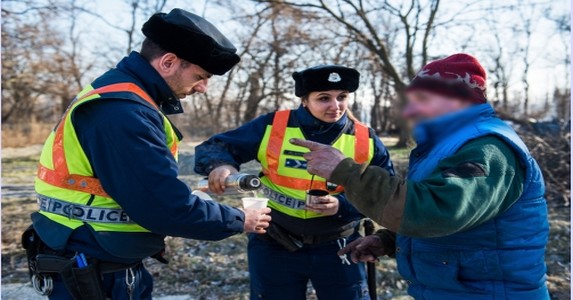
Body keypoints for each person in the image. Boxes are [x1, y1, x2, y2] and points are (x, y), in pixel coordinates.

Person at [27, 8, 271, 300]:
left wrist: (188, 197)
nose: (204, 88)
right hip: (96, 267)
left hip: (89, 251)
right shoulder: (123, 112)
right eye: (201, 76)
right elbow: (165, 208)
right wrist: (239, 219)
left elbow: (129, 186)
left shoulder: (118, 94)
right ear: (168, 62)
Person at [292, 54, 549, 299]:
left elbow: (438, 211)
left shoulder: (487, 148)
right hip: (453, 289)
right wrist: (390, 241)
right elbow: (459, 215)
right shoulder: (446, 145)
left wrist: (345, 171)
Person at [194, 65, 395, 299]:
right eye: (323, 98)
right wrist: (221, 165)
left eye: (342, 97)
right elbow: (217, 147)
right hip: (273, 242)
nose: (335, 106)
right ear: (304, 100)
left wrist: (342, 206)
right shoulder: (274, 125)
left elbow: (387, 192)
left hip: (340, 245)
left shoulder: (365, 138)